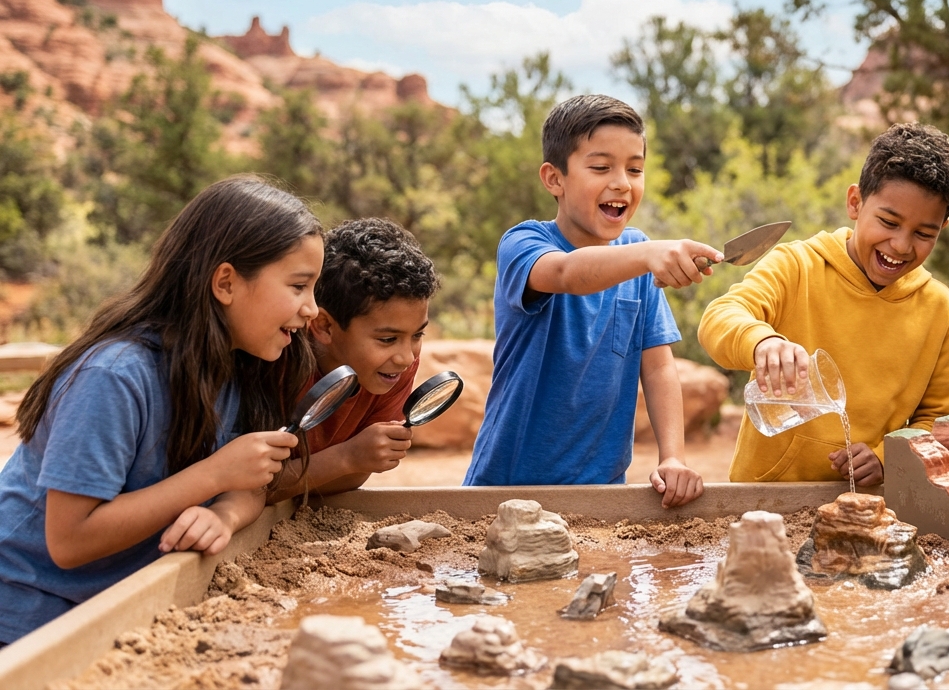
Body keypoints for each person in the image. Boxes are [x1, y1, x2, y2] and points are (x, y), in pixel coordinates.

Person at [0, 177, 319, 645]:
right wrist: (213, 476)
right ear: (226, 282)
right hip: (28, 621)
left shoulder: (241, 366)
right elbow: (69, 542)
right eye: (298, 286)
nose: (312, 309)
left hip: (118, 615)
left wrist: (225, 514)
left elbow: (252, 482)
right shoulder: (114, 376)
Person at [463, 94, 714, 507]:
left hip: (601, 493)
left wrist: (673, 457)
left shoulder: (637, 252)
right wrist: (648, 256)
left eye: (635, 169)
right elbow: (567, 274)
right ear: (554, 179)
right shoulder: (524, 243)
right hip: (506, 488)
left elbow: (658, 366)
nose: (621, 182)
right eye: (601, 167)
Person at [698, 123, 949, 485]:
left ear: (943, 228)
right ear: (855, 202)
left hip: (865, 506)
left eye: (923, 233)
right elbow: (720, 317)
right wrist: (762, 341)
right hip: (764, 497)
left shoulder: (940, 309)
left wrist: (888, 458)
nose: (902, 245)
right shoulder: (796, 266)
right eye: (889, 222)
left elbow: (941, 419)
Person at [266, 218, 440, 503]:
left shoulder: (392, 369)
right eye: (387, 339)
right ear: (323, 326)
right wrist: (348, 457)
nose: (407, 357)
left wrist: (350, 463)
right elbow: (251, 487)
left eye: (417, 335)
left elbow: (353, 478)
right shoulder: (278, 361)